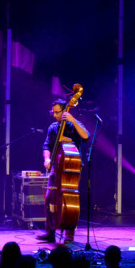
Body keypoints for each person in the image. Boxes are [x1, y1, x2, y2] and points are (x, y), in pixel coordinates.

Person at [37, 99, 89, 244]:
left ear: (65, 111)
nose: (54, 115)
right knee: (49, 199)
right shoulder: (53, 127)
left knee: (69, 202)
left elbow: (86, 136)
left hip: (71, 167)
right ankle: (50, 232)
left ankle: (69, 233)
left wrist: (73, 119)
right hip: (56, 167)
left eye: (57, 112)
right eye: (53, 112)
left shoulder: (74, 125)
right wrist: (47, 159)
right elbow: (46, 146)